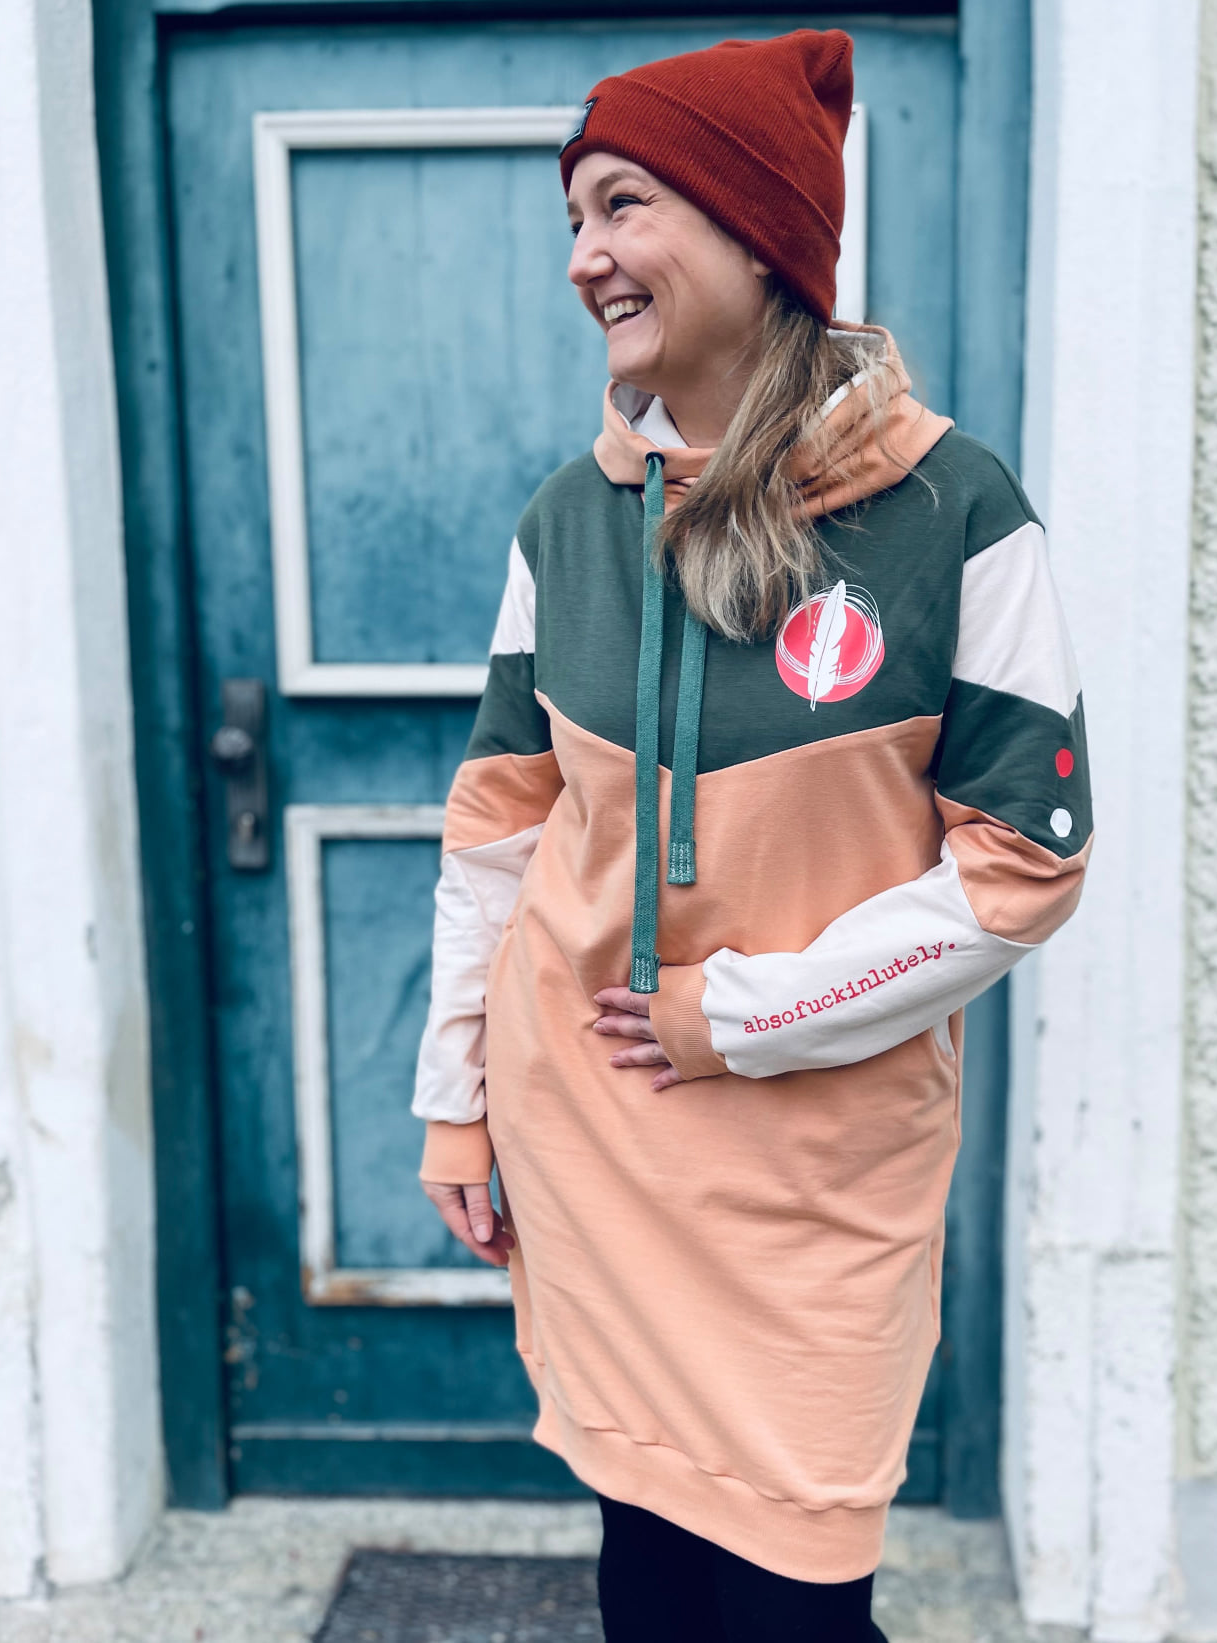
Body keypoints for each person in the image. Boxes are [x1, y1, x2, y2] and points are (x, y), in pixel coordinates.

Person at [412, 27, 1091, 1643]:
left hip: (816, 1175)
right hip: (593, 1139)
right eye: (572, 219)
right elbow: (498, 832)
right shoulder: (565, 521)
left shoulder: (953, 512)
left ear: (754, 223)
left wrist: (739, 1015)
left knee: (795, 1604)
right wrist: (457, 1103)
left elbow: (1024, 864)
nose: (581, 258)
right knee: (646, 1579)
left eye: (621, 205)